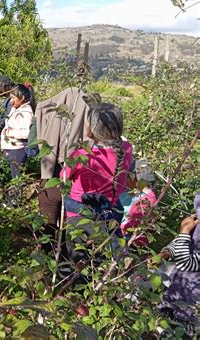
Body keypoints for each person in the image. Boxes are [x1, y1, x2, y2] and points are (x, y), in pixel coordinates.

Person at [63, 103, 133, 262]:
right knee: (106, 255)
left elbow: (63, 176)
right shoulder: (126, 150)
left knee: (79, 257)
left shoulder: (81, 155)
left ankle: (80, 282)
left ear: (91, 130)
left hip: (80, 214)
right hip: (111, 212)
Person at [30, 87, 91, 241]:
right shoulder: (92, 119)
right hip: (77, 183)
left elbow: (32, 143)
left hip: (53, 175)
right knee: (70, 223)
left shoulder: (49, 109)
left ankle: (47, 254)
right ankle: (64, 255)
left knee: (47, 219)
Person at [158, 192, 200, 326]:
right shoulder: (197, 224)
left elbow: (186, 264)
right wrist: (166, 252)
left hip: (193, 302)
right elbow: (184, 242)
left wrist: (184, 231)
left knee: (182, 329)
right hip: (178, 287)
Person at [119, 159, 157, 248]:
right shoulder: (133, 193)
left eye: (129, 178)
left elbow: (130, 227)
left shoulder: (145, 201)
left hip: (131, 242)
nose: (126, 181)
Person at [0, 84, 35, 179]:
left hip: (17, 151)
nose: (11, 101)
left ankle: (17, 194)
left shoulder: (26, 113)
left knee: (17, 180)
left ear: (22, 98)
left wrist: (10, 133)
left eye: (13, 98)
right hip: (11, 149)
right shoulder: (16, 109)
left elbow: (27, 133)